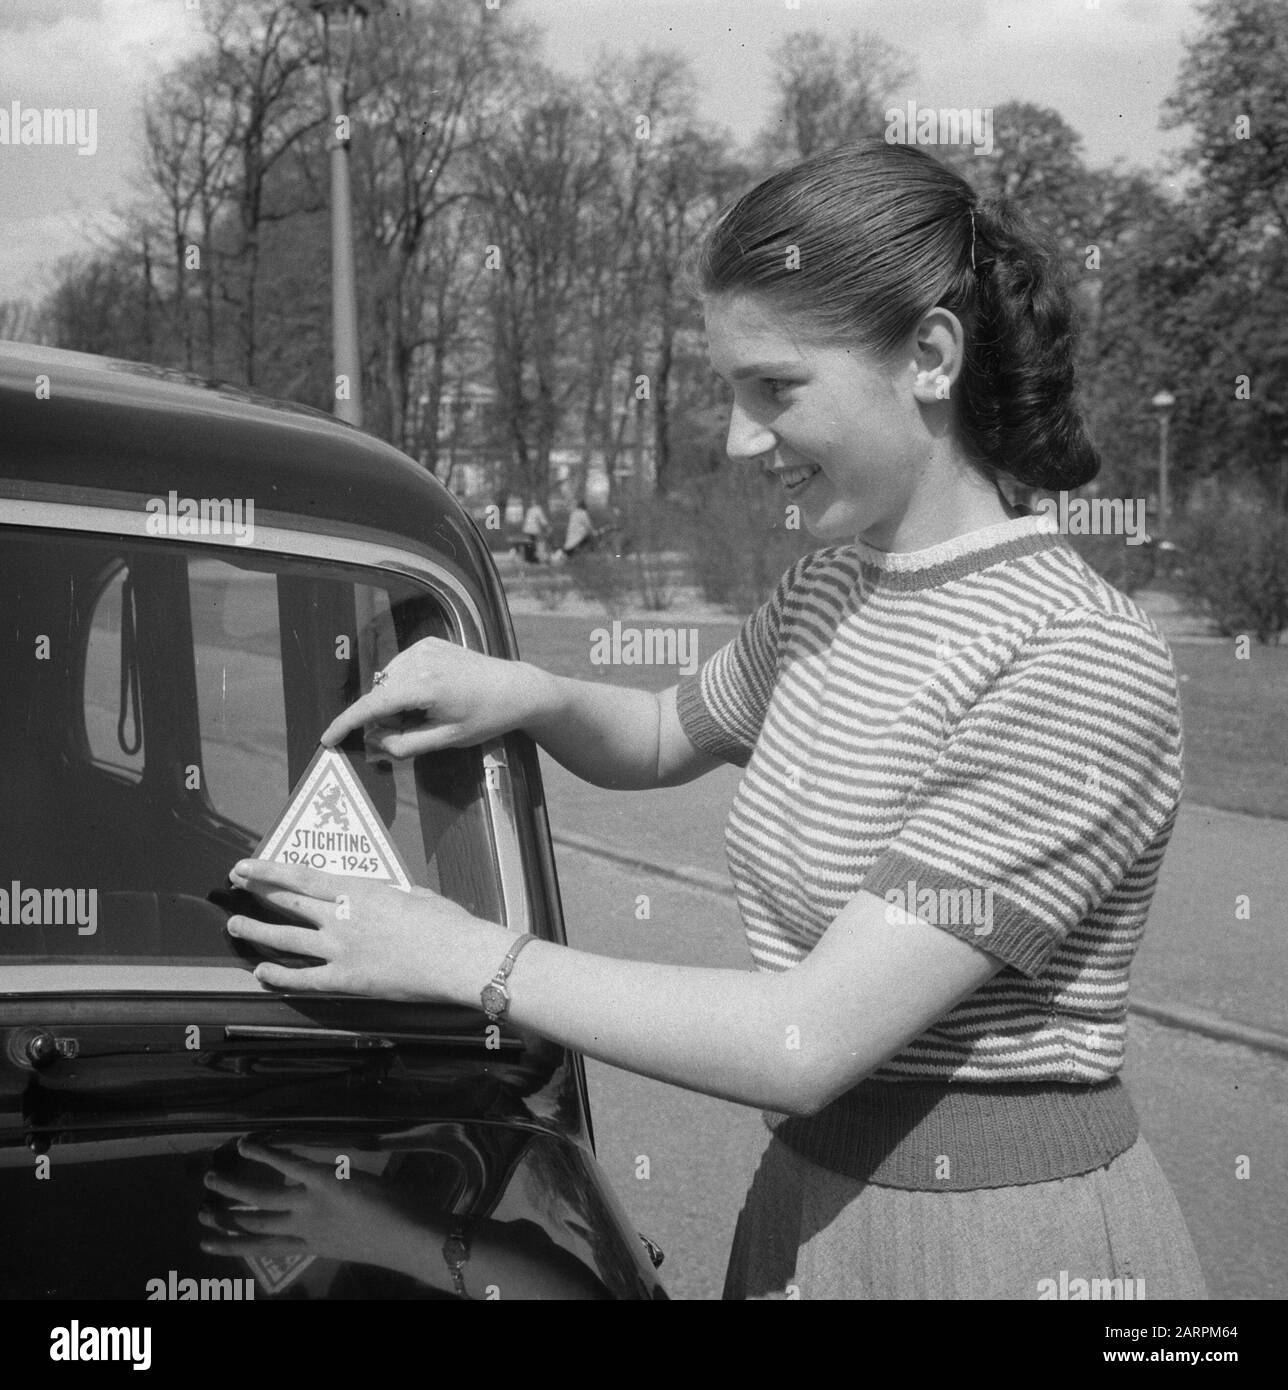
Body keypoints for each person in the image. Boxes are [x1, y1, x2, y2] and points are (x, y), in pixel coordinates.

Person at [224, 139, 1207, 1300]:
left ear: (930, 357)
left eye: (774, 388)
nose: (741, 441)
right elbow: (656, 735)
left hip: (999, 1246)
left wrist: (449, 953)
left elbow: (803, 1041)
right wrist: (523, 692)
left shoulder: (1074, 659)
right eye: (731, 392)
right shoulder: (832, 588)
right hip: (809, 1198)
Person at [519, 498, 550, 564]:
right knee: (533, 544)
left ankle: (529, 559)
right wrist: (548, 528)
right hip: (533, 530)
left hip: (527, 529)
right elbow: (543, 520)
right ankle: (532, 559)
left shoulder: (530, 509)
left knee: (529, 544)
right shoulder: (538, 509)